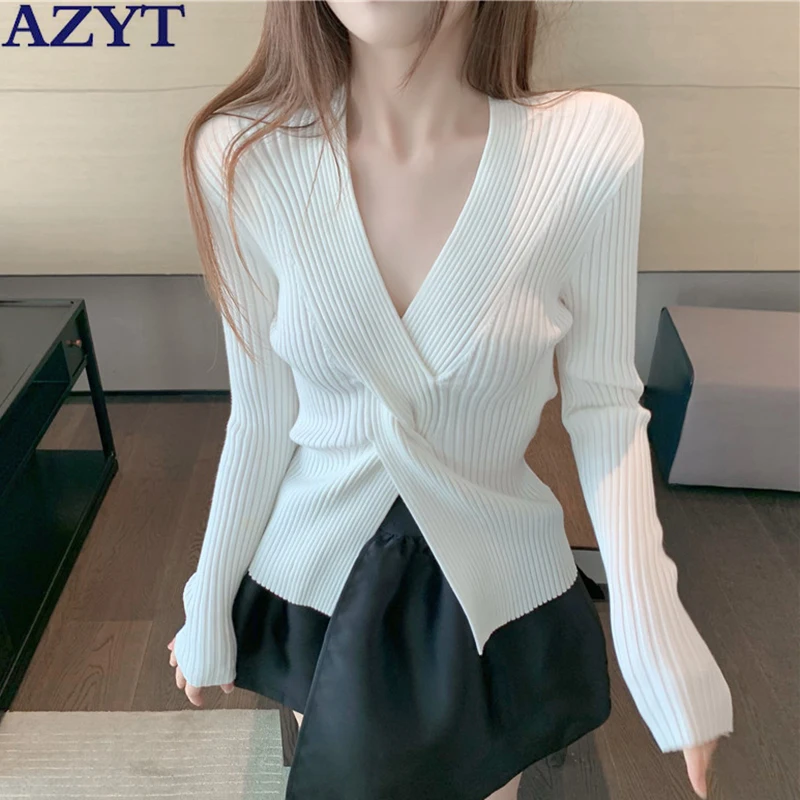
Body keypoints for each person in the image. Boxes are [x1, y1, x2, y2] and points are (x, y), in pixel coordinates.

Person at [166, 2, 734, 799]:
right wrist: (208, 602)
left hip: (494, 595)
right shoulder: (242, 153)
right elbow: (260, 416)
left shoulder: (585, 145)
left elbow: (604, 406)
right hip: (319, 584)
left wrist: (658, 642)